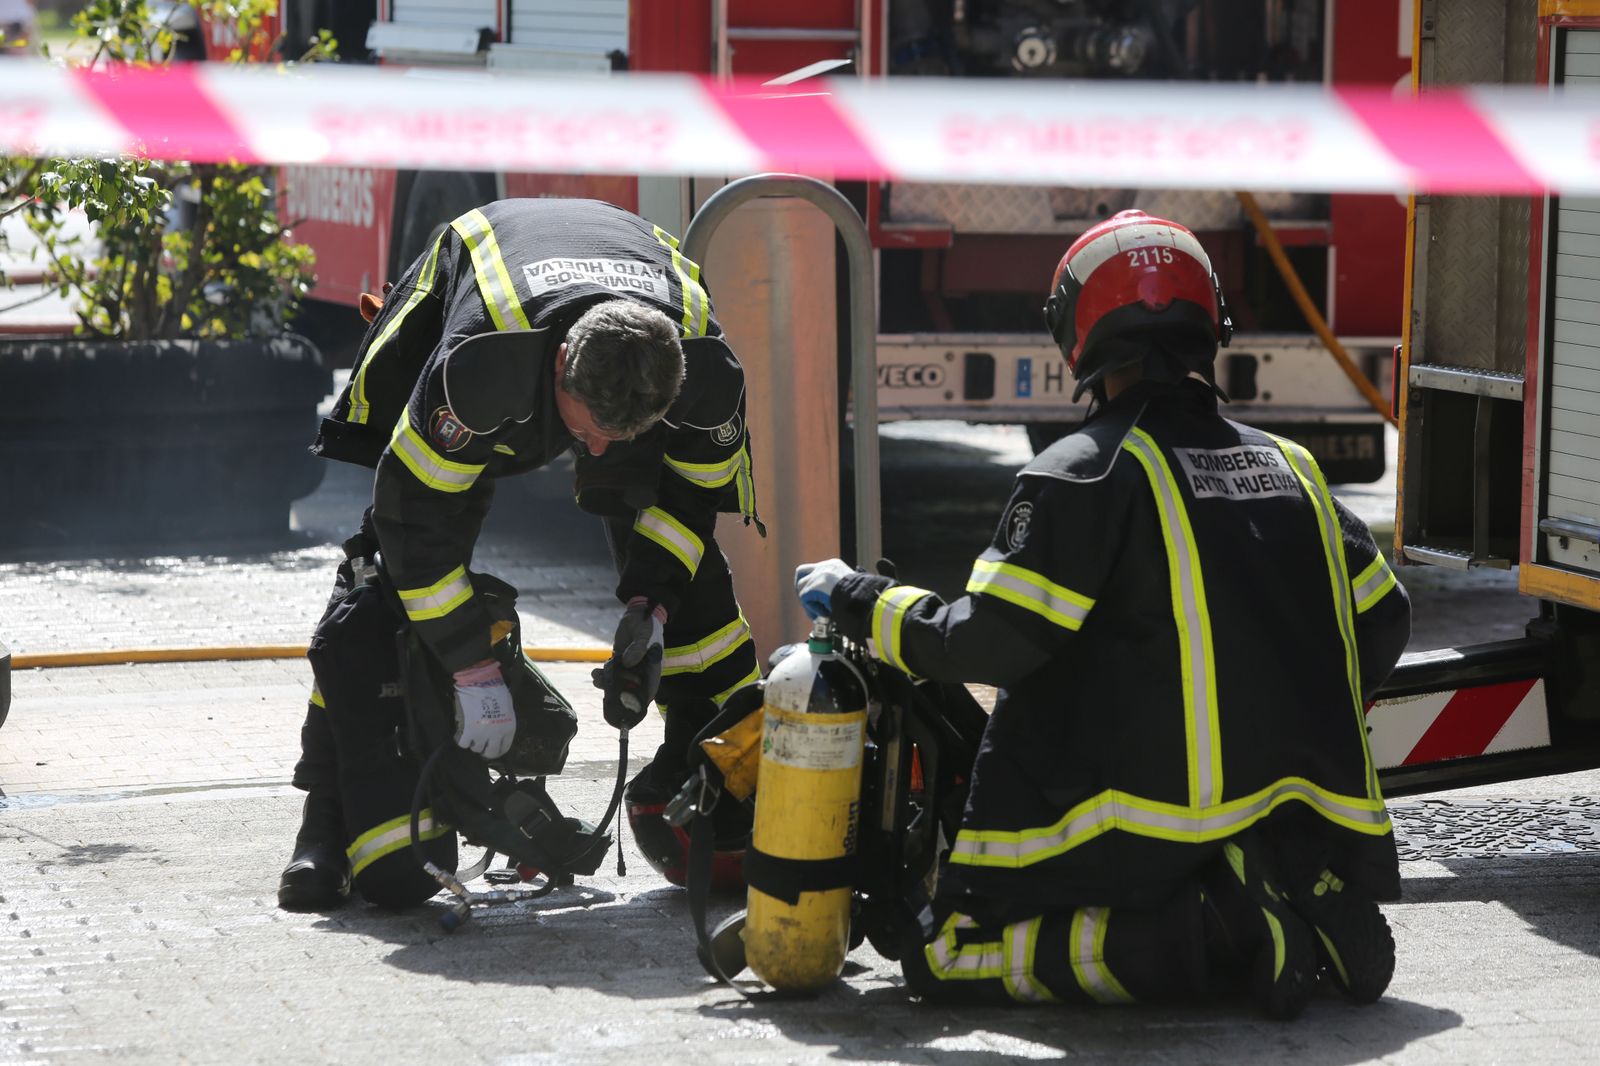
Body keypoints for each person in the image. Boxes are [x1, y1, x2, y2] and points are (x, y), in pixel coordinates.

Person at [795, 209, 1410, 1018]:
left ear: (1076, 336)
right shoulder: (1290, 465)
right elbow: (1383, 620)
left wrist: (857, 597)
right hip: (1302, 807)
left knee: (946, 959)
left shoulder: (1081, 473)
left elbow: (987, 643)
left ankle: (1219, 928)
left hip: (1139, 826)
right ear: (1210, 327)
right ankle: (1267, 864)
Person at [278, 198, 762, 911]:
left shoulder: (706, 372)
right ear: (562, 365)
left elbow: (688, 500)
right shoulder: (479, 365)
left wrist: (650, 605)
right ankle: (323, 818)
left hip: (624, 320)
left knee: (701, 598)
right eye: (589, 432)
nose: (597, 453)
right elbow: (417, 525)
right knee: (380, 579)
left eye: (621, 437)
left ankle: (722, 773)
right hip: (476, 287)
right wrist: (471, 665)